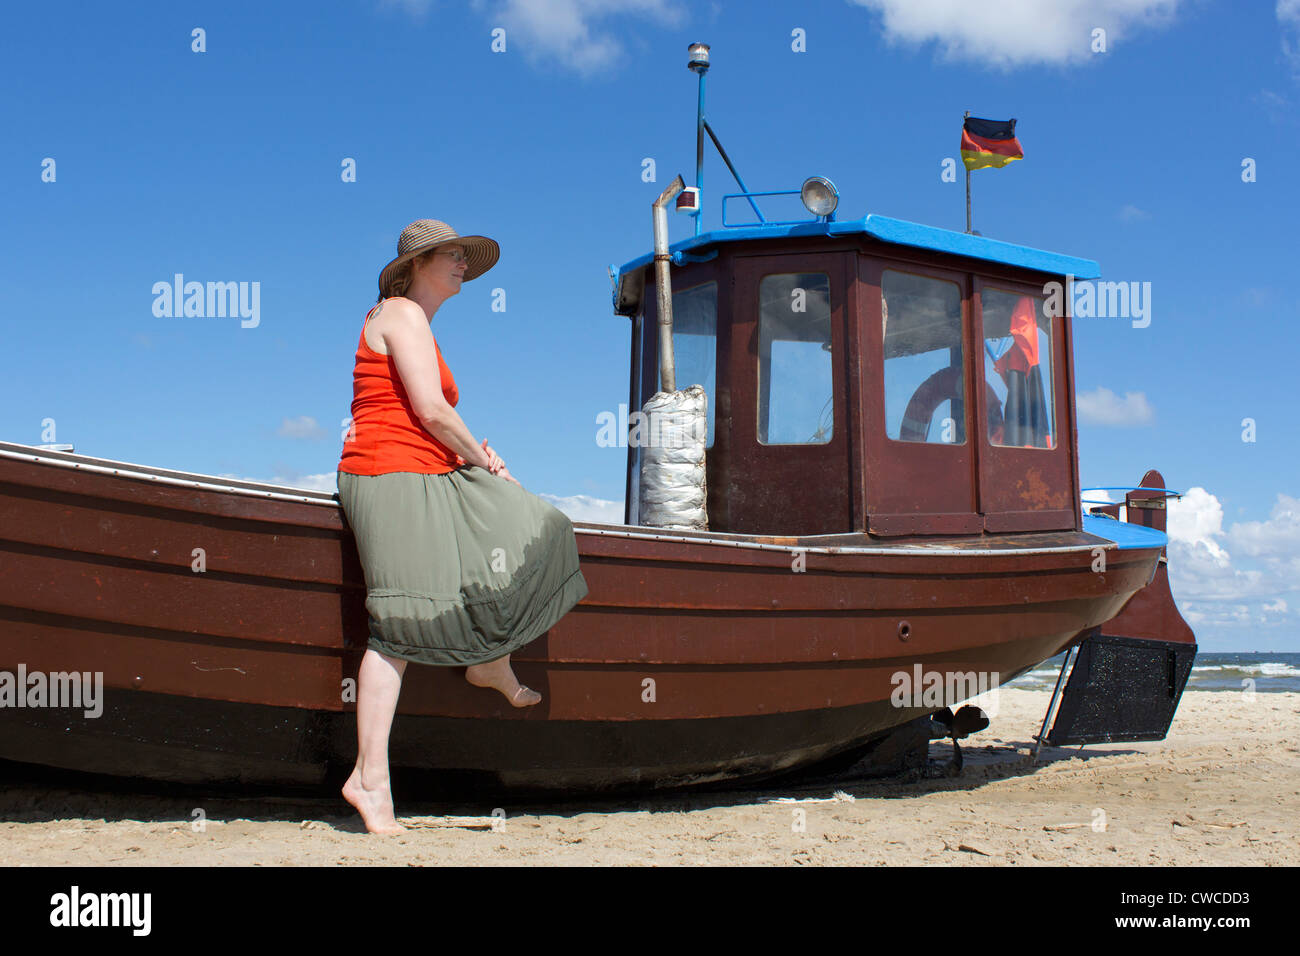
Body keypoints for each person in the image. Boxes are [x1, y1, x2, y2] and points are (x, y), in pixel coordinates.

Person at [335, 219, 589, 833]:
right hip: (388, 474)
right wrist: (480, 457)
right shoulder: (399, 312)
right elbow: (428, 409)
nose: (463, 266)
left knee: (535, 526)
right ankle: (368, 780)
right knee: (397, 624)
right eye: (452, 256)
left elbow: (432, 417)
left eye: (464, 258)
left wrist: (475, 455)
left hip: (429, 471)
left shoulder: (419, 323)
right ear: (416, 264)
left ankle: (488, 661)